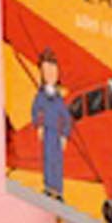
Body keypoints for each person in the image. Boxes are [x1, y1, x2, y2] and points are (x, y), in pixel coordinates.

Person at [32, 48, 73, 202]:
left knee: (58, 161)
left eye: (53, 72)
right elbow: (36, 110)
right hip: (48, 131)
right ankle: (49, 187)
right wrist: (40, 126)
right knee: (49, 159)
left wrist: (64, 134)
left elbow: (66, 117)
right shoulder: (41, 96)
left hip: (57, 133)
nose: (51, 75)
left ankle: (58, 190)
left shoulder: (59, 99)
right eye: (47, 72)